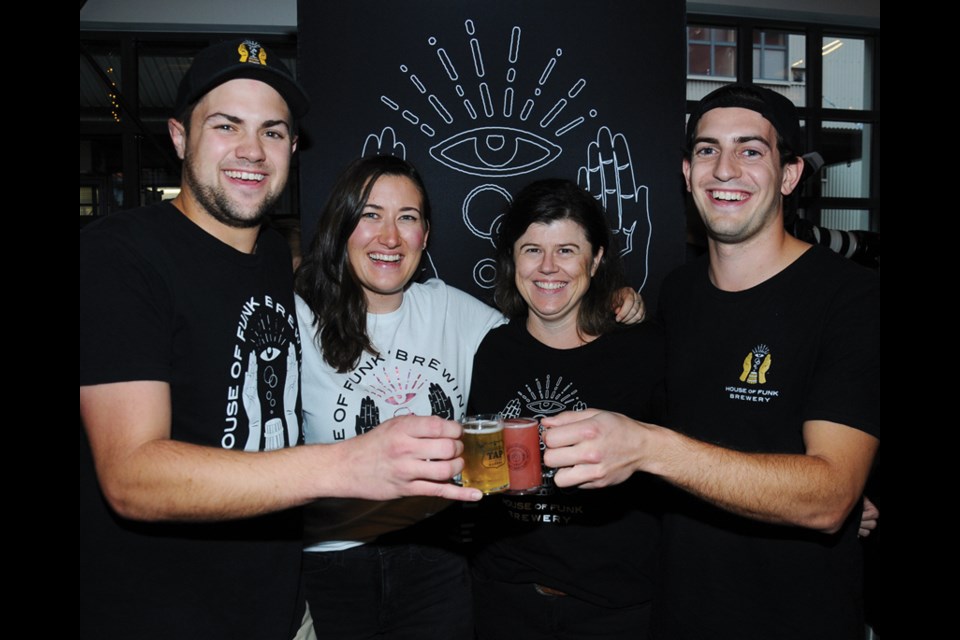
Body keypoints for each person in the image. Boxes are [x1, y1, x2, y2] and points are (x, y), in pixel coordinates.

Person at [79, 40, 480, 640]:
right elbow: (132, 476)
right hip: (163, 614)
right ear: (179, 136)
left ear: (293, 149)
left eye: (272, 131)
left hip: (279, 608)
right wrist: (349, 463)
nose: (251, 150)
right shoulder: (120, 254)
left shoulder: (268, 254)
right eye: (225, 125)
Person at [541, 84, 880, 639]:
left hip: (798, 619)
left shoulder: (851, 297)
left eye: (751, 150)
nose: (725, 169)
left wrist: (649, 448)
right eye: (707, 150)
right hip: (680, 611)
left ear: (789, 176)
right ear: (686, 170)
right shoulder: (677, 294)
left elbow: (827, 499)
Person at [294, 157, 645, 638]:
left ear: (426, 234)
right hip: (333, 563)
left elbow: (549, 314)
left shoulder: (457, 314)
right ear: (341, 224)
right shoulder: (294, 317)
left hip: (438, 561)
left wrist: (617, 299)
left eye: (408, 218)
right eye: (371, 214)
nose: (390, 236)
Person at [468, 179, 664, 639]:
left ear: (595, 260)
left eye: (567, 250)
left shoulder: (645, 350)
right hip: (504, 598)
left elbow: (698, 453)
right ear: (512, 259)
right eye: (532, 249)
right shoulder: (495, 349)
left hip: (613, 611)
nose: (548, 267)